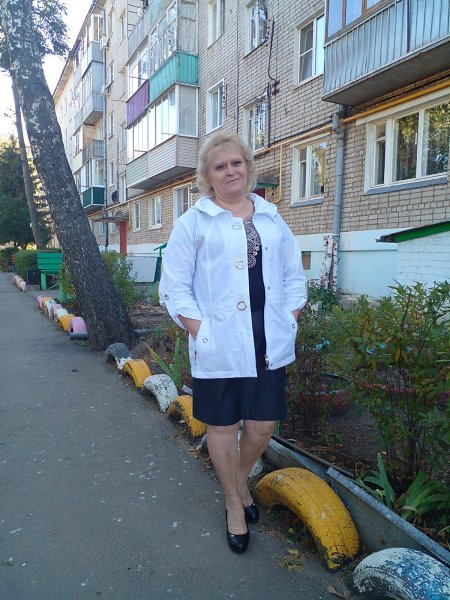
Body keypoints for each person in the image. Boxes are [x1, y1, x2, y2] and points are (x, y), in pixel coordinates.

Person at [159, 131, 307, 554]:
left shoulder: (271, 218)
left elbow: (294, 277)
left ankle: (239, 482)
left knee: (261, 426)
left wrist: (290, 318)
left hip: (268, 339)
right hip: (219, 341)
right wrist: (200, 330)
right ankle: (232, 503)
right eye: (220, 166)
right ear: (208, 176)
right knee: (223, 427)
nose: (230, 171)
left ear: (248, 167)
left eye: (236, 163)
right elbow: (174, 287)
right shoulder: (194, 222)